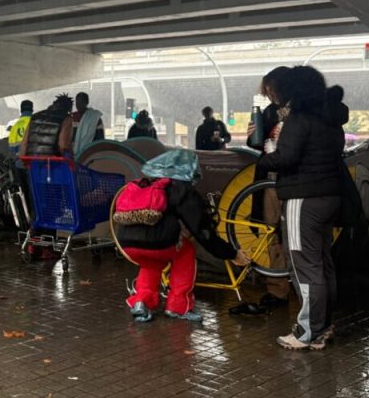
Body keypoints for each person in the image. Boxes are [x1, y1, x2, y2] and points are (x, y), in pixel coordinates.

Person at [258, 66, 349, 350]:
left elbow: (287, 158)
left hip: (302, 197)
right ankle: (323, 327)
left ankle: (307, 331)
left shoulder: (299, 119)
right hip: (329, 195)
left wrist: (266, 155)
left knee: (303, 266)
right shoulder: (331, 117)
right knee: (323, 263)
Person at [116, 149, 250, 323]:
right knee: (185, 250)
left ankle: (141, 302)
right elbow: (203, 233)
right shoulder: (181, 189)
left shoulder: (146, 183)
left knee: (152, 261)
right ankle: (178, 307)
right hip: (159, 244)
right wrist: (231, 253)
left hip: (128, 244)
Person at [248, 66, 292, 308]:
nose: (270, 95)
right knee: (271, 232)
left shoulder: (303, 111)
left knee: (296, 236)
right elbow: (258, 144)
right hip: (270, 180)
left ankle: (301, 287)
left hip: (294, 181)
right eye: (267, 91)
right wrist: (253, 135)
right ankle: (278, 289)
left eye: (272, 89)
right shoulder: (268, 112)